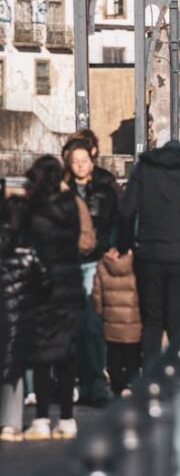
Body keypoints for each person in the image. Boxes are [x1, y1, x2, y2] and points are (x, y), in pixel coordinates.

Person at [117, 141, 180, 365]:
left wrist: (125, 246)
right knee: (178, 320)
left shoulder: (144, 168)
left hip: (150, 254)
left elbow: (127, 210)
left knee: (152, 320)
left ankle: (150, 376)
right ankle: (177, 376)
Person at [24, 156, 95, 440]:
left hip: (42, 285)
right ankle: (67, 419)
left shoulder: (33, 208)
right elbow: (82, 239)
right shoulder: (71, 205)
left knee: (41, 354)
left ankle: (41, 418)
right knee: (67, 354)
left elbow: (24, 241)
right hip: (70, 283)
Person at [64, 138, 118, 406]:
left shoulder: (105, 188)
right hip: (69, 261)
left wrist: (112, 246)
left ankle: (94, 379)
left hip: (96, 260)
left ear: (92, 161)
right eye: (75, 161)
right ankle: (79, 379)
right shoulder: (62, 190)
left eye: (83, 161)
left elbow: (115, 219)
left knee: (93, 319)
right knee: (75, 321)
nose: (79, 165)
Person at [0, 195, 50, 442]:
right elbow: (44, 281)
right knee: (14, 368)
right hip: (21, 312)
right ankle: (10, 422)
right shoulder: (30, 248)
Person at [92, 248, 141, 398]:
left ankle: (116, 386)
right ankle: (130, 383)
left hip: (110, 321)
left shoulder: (103, 263)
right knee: (132, 355)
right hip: (134, 321)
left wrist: (100, 311)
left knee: (114, 356)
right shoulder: (137, 263)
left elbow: (97, 294)